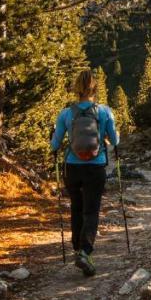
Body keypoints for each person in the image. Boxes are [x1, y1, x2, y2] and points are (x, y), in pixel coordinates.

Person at [50, 69, 119, 276]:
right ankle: (86, 251)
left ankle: (77, 248)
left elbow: (55, 144)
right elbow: (114, 141)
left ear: (76, 89)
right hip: (95, 167)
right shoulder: (105, 112)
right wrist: (115, 136)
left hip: (72, 166)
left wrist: (53, 138)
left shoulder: (66, 114)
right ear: (94, 88)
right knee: (91, 209)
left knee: (76, 207)